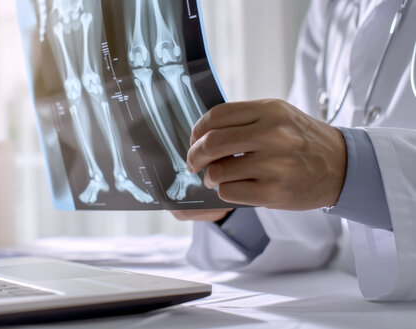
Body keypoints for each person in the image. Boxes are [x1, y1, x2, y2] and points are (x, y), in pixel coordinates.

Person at [172, 0, 416, 301]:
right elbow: (313, 217)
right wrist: (233, 199)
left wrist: (344, 166)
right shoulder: (329, 7)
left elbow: (331, 171)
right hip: (349, 308)